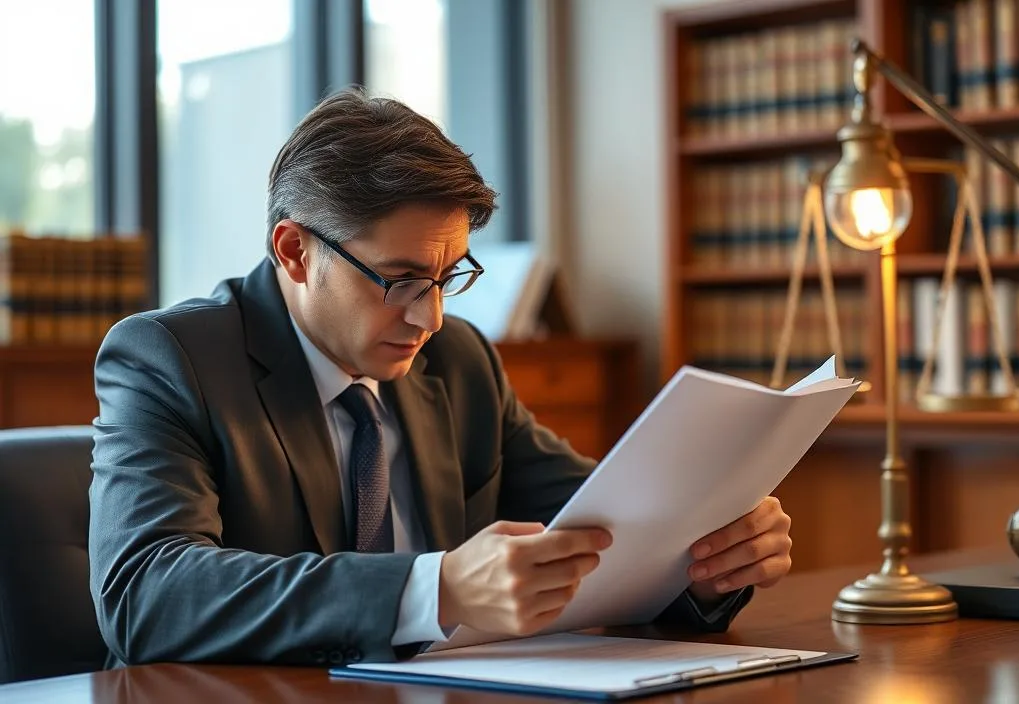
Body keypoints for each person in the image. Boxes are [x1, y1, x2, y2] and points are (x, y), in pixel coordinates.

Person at [89, 89, 793, 669]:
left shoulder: (460, 363)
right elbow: (147, 597)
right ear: (296, 251)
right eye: (399, 280)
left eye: (447, 276)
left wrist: (702, 558)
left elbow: (605, 526)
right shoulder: (170, 359)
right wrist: (436, 587)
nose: (428, 317)